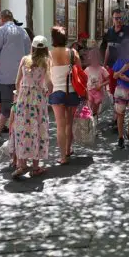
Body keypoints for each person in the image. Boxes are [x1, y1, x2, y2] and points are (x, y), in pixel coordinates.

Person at [0, 9, 31, 145]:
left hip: (5, 76)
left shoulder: (1, 31)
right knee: (19, 104)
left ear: (1, 18)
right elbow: (29, 53)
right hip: (22, 76)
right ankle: (18, 132)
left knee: (6, 104)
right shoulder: (23, 32)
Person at [11, 35, 52, 179]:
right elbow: (50, 84)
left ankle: (21, 163)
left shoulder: (24, 60)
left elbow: (17, 82)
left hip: (23, 99)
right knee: (38, 129)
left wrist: (18, 97)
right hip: (38, 100)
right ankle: (35, 167)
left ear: (32, 47)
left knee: (23, 129)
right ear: (46, 48)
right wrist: (46, 93)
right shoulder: (46, 62)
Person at [48, 26, 82, 165]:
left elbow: (48, 75)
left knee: (60, 126)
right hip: (72, 92)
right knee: (69, 123)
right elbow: (79, 71)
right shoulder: (73, 53)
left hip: (57, 93)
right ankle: (68, 149)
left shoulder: (49, 54)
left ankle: (63, 157)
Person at [104, 9, 129, 131]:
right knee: (113, 92)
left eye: (120, 18)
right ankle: (116, 117)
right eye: (116, 18)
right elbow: (108, 48)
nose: (118, 20)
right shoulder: (110, 31)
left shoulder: (128, 31)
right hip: (112, 67)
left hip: (123, 68)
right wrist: (105, 64)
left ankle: (119, 119)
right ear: (112, 18)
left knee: (122, 93)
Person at [85, 51, 109, 119]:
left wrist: (101, 85)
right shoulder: (87, 69)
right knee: (89, 105)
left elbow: (108, 80)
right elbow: (84, 80)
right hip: (89, 91)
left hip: (98, 92)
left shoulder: (102, 69)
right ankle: (90, 119)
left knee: (96, 105)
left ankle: (95, 117)